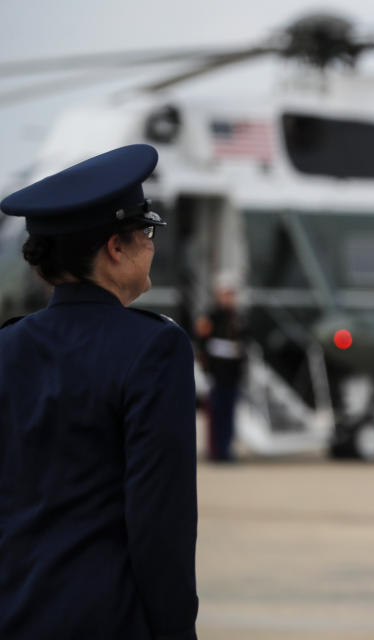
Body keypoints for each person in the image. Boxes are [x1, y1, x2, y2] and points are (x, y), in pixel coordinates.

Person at [0, 145, 199, 639]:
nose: (151, 245)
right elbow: (160, 522)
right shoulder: (155, 348)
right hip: (108, 618)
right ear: (116, 247)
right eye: (147, 231)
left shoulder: (6, 345)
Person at [195, 271, 247, 462]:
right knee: (215, 415)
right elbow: (203, 344)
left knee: (229, 414)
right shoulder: (210, 317)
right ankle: (216, 451)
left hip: (232, 374)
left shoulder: (238, 317)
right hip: (216, 373)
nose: (229, 298)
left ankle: (226, 449)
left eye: (232, 294)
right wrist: (205, 371)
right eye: (226, 294)